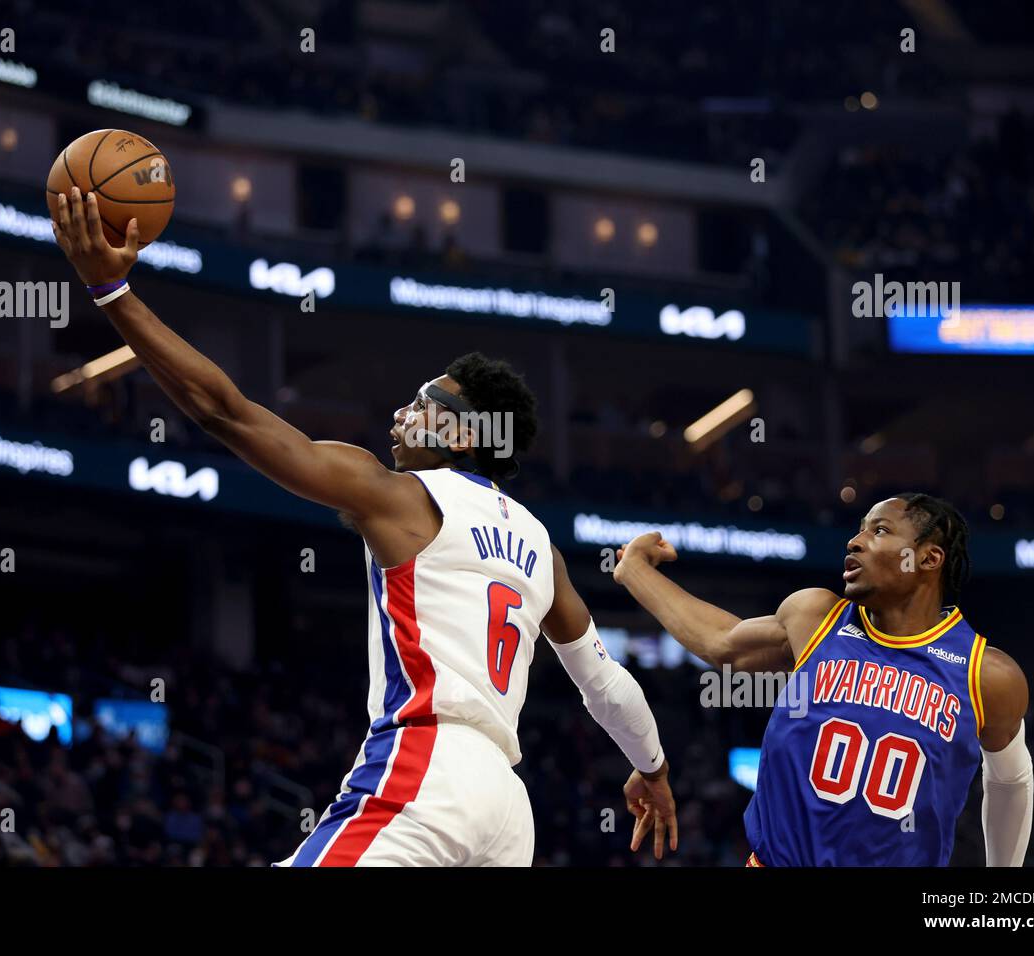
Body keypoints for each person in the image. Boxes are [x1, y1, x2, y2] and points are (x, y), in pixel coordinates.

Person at [50, 189, 677, 866]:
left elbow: (225, 412)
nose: (401, 414)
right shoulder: (540, 548)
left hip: (427, 766)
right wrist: (654, 769)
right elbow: (607, 687)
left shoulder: (398, 494)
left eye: (421, 403)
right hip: (506, 810)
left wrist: (112, 291)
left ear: (464, 433)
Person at [613, 494, 1032, 866]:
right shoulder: (816, 617)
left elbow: (1011, 780)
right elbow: (721, 641)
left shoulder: (985, 673)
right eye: (859, 529)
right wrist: (634, 568)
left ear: (928, 558)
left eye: (879, 530)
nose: (855, 541)